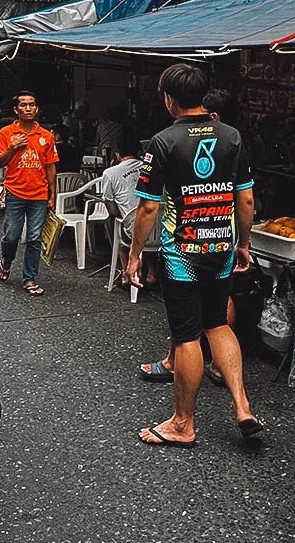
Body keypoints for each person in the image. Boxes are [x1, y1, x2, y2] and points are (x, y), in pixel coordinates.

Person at [127, 64, 263, 448]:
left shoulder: (163, 142)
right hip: (221, 246)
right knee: (218, 323)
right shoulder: (231, 136)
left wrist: (135, 255)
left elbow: (148, 209)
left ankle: (182, 424)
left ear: (169, 98)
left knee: (187, 336)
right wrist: (244, 242)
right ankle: (242, 406)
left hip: (182, 251)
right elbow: (247, 197)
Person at [0, 91, 59, 296]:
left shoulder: (46, 136)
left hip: (39, 195)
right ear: (16, 110)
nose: (28, 108)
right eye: (23, 105)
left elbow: (51, 168)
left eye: (31, 105)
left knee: (34, 238)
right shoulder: (5, 134)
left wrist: (52, 195)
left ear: (37, 109)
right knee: (11, 236)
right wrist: (12, 148)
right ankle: (6, 261)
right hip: (15, 192)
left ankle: (30, 279)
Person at [100, 133, 146, 285]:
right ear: (140, 153)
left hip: (132, 230)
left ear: (117, 155)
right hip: (159, 230)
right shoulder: (150, 168)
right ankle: (152, 273)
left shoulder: (110, 173)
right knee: (150, 229)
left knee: (121, 241)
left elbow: (112, 209)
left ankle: (126, 275)